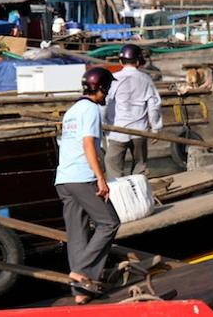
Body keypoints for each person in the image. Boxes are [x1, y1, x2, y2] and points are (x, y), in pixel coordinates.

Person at [55, 68, 120, 305]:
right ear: (101, 88)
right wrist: (101, 177)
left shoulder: (72, 110)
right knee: (109, 222)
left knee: (77, 234)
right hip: (82, 177)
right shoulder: (91, 110)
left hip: (63, 179)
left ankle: (80, 293)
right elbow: (88, 145)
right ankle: (81, 271)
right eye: (107, 88)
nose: (107, 93)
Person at [104, 44, 162, 179]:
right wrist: (155, 129)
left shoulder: (113, 79)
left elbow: (105, 103)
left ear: (120, 62)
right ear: (137, 61)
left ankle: (118, 198)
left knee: (113, 169)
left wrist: (103, 125)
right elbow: (154, 105)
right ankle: (139, 196)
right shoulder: (146, 79)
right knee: (139, 169)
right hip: (139, 132)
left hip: (117, 131)